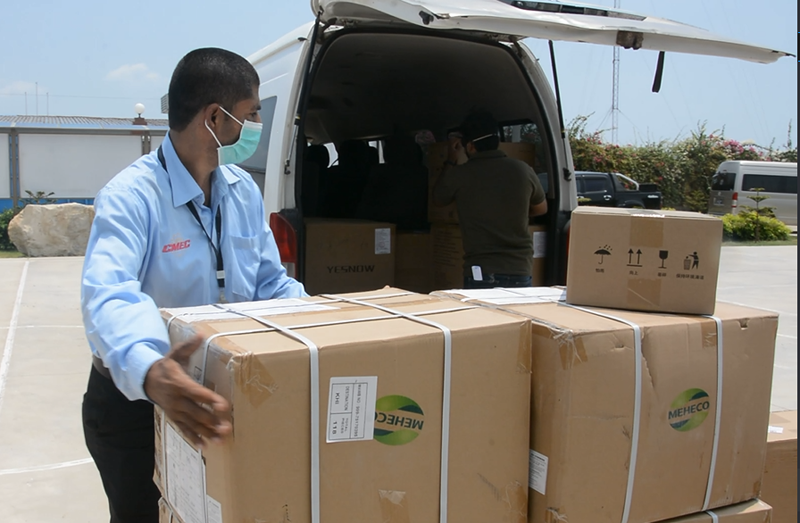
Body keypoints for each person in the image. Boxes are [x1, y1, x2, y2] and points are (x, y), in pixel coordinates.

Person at [80, 48, 307, 523]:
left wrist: (325, 324)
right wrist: (150, 368)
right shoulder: (131, 197)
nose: (257, 125)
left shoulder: (241, 190)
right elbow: (110, 294)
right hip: (139, 401)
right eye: (252, 114)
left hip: (217, 393)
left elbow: (270, 282)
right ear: (214, 118)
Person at [433, 109, 548, 289]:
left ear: (470, 146)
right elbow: (541, 209)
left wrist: (450, 160)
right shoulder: (523, 170)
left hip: (481, 270)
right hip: (519, 269)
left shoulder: (459, 174)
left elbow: (439, 199)